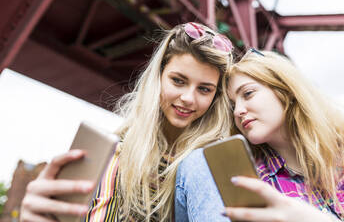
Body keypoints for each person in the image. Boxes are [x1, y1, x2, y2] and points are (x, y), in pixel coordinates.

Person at [20, 22, 235, 222]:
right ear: (157, 77)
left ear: (216, 97)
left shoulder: (214, 165)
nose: (188, 98)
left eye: (204, 89)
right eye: (178, 81)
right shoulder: (112, 153)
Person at [175, 50, 344, 222]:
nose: (238, 111)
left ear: (285, 90)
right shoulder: (252, 182)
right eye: (233, 106)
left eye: (248, 93)